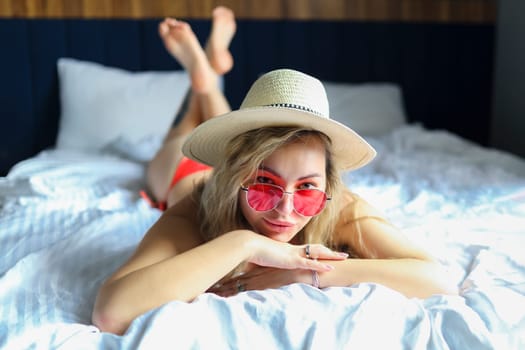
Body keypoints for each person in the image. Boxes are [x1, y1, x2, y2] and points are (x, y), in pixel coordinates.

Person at [92, 7, 457, 335]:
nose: (285, 210)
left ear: (327, 184)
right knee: (179, 135)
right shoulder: (194, 209)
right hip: (184, 173)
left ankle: (204, 79)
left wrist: (303, 270)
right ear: (235, 175)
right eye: (264, 183)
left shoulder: (340, 206)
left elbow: (437, 280)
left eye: (307, 188)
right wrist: (243, 243)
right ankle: (201, 82)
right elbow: (111, 312)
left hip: (237, 153)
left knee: (220, 125)